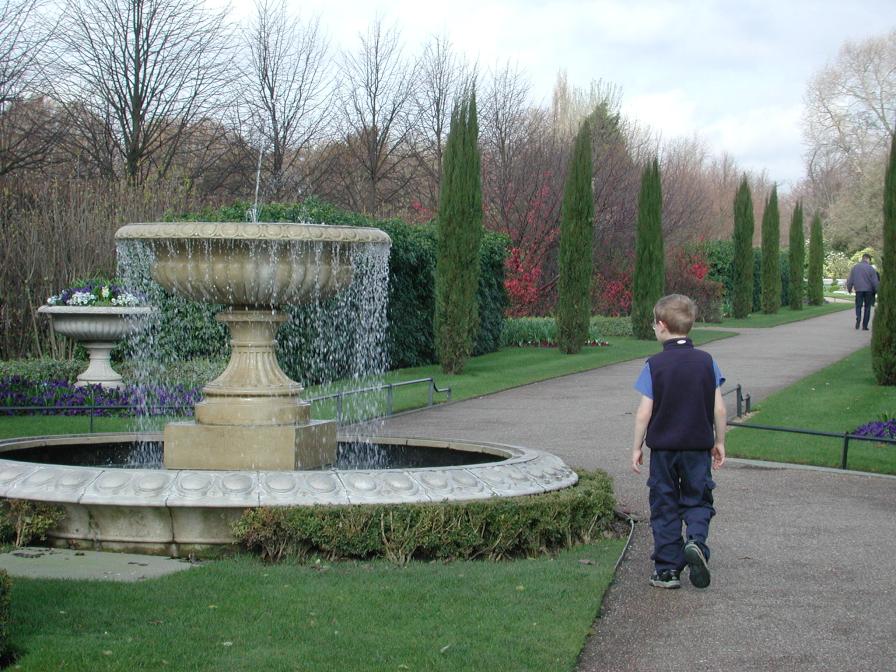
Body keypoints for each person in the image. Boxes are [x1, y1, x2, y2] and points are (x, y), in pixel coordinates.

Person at [631, 294, 726, 590]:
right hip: (697, 447)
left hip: (664, 450)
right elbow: (719, 409)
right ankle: (696, 541)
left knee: (665, 505)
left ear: (662, 326)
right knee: (698, 499)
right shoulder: (707, 362)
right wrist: (720, 441)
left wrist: (636, 447)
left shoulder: (654, 365)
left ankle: (667, 569)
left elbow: (644, 412)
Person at [846, 253, 880, 331]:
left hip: (859, 290)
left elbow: (850, 279)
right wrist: (877, 290)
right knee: (867, 308)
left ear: (862, 258)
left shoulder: (855, 267)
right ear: (867, 259)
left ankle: (858, 317)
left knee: (858, 306)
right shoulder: (871, 268)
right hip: (869, 291)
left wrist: (849, 288)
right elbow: (875, 281)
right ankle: (865, 326)